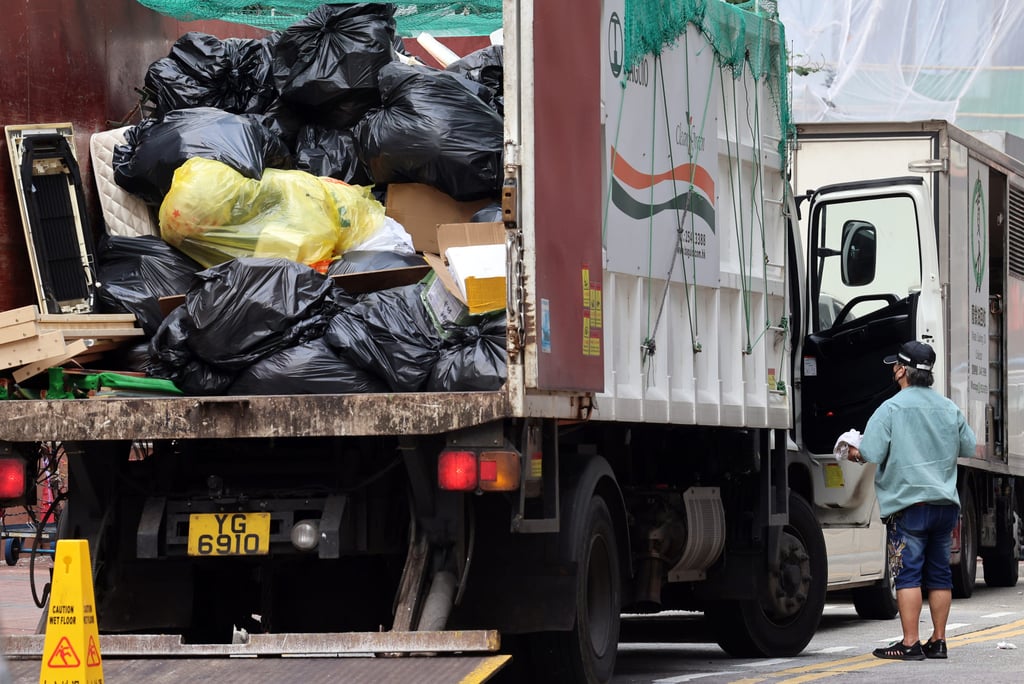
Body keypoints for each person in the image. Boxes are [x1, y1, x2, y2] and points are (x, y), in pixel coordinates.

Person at [847, 340, 976, 661]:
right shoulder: (949, 407)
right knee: (940, 575)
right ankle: (939, 641)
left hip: (909, 508)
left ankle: (909, 642)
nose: (893, 370)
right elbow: (969, 446)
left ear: (902, 370)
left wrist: (851, 450)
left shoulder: (891, 408)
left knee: (907, 575)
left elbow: (872, 451)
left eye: (895, 366)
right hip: (945, 506)